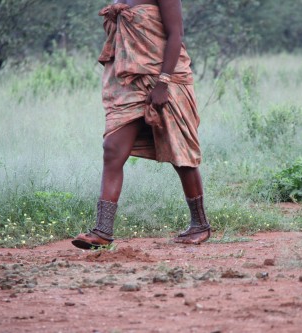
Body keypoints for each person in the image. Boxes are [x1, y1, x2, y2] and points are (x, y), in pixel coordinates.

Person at [72, 0, 211, 249]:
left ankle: (199, 224)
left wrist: (163, 83)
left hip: (166, 78)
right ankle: (102, 231)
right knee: (112, 148)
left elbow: (175, 34)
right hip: (129, 82)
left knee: (180, 153)